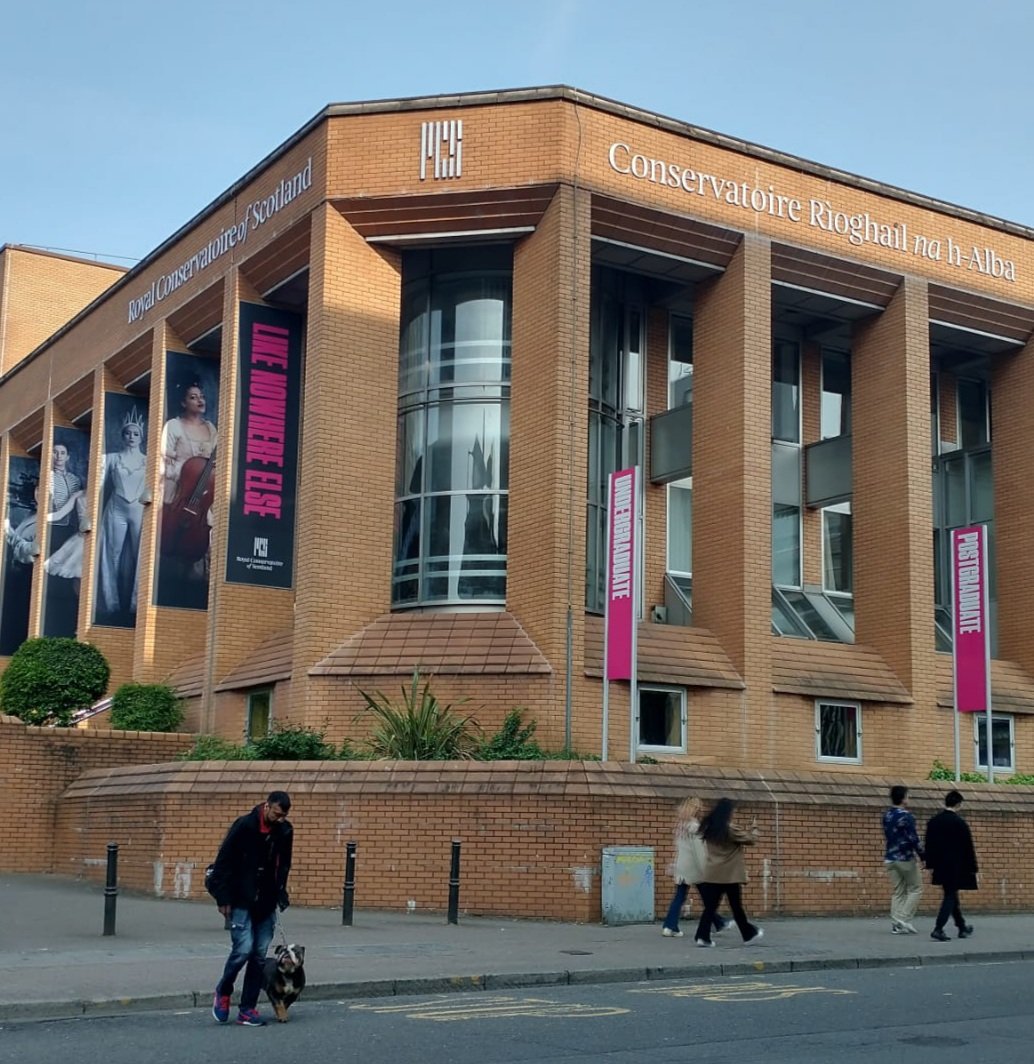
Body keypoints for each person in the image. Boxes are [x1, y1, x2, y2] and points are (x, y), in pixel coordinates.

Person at [209, 791, 293, 1027]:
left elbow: (283, 864)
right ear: (267, 806)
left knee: (258, 956)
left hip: (266, 901)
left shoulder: (285, 831)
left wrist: (281, 892)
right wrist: (222, 898)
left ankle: (247, 1009)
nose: (280, 819)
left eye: (284, 816)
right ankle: (224, 991)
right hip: (241, 898)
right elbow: (223, 861)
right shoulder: (244, 825)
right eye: (277, 814)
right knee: (243, 950)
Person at [96, 408, 148, 621]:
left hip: (138, 509)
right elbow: (98, 485)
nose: (131, 437)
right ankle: (112, 603)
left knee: (139, 555)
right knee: (112, 554)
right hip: (116, 508)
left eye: (135, 434)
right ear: (122, 435)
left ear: (141, 437)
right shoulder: (111, 458)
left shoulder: (148, 460)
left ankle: (137, 602)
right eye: (128, 433)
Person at [693, 797, 763, 948]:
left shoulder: (709, 828)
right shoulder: (729, 829)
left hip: (712, 873)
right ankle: (748, 934)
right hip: (729, 875)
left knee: (710, 908)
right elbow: (750, 840)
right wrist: (754, 829)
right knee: (736, 907)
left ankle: (702, 936)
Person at [660, 796, 729, 938]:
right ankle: (718, 923)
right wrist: (706, 869)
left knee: (680, 896)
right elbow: (699, 852)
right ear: (696, 809)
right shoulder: (695, 827)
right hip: (694, 868)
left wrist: (674, 864)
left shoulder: (681, 827)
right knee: (707, 897)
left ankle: (669, 926)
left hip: (682, 867)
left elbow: (680, 849)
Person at [924, 789, 977, 942]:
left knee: (951, 895)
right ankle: (938, 928)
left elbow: (929, 845)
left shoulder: (934, 822)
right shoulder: (960, 823)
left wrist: (930, 864)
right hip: (956, 866)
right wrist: (973, 868)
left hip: (940, 865)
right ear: (959, 804)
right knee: (950, 896)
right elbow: (968, 848)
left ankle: (962, 926)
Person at [882, 784, 924, 934]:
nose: (909, 798)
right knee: (916, 888)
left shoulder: (886, 815)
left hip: (890, 857)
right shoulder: (906, 816)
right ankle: (903, 918)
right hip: (905, 858)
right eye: (908, 795)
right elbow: (913, 838)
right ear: (903, 798)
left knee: (898, 891)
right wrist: (923, 855)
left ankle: (896, 923)